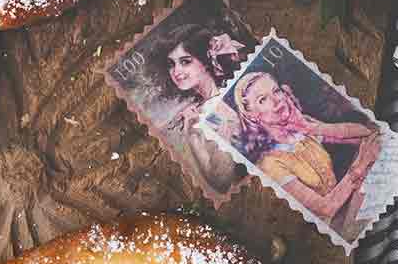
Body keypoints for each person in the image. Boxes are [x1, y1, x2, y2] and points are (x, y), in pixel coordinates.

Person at [204, 67, 381, 244]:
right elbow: (326, 209)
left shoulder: (299, 126)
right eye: (263, 99)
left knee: (381, 142)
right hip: (329, 234)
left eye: (276, 91)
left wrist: (311, 127)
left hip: (350, 206)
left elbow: (365, 134)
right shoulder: (269, 164)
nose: (276, 101)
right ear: (251, 114)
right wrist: (359, 166)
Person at [155, 22, 250, 195]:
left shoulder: (221, 110)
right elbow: (218, 181)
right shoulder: (201, 108)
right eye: (171, 64)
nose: (176, 71)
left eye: (185, 62)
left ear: (206, 62)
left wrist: (193, 138)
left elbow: (222, 181)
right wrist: (191, 135)